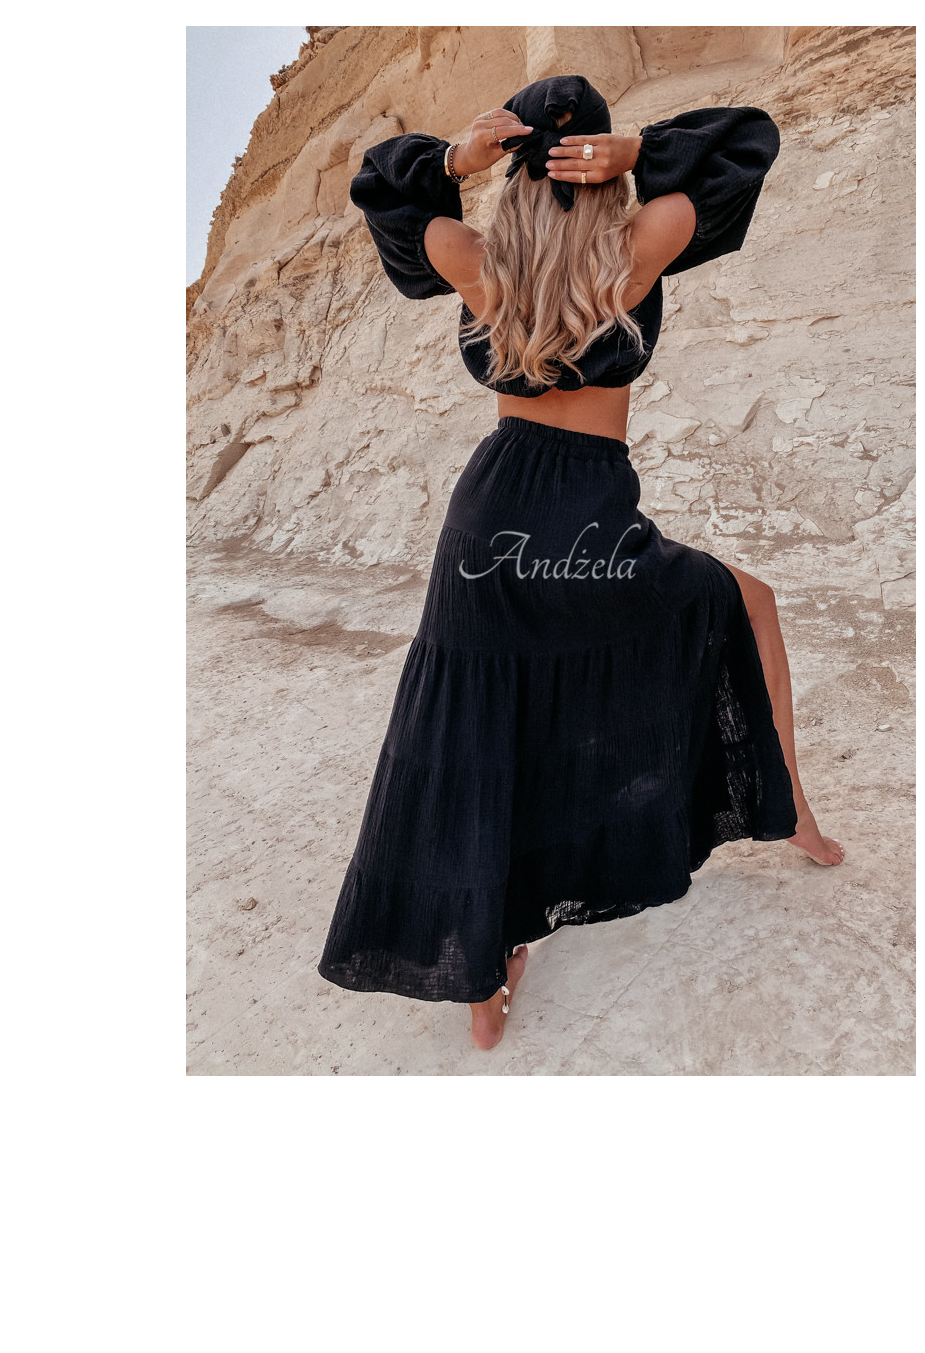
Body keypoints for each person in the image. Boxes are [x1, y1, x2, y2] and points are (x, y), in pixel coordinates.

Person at [317, 74, 843, 1051]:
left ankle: (483, 977)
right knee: (748, 603)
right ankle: (793, 814)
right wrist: (637, 151)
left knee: (482, 722)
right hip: (588, 521)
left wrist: (452, 159)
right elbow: (745, 141)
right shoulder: (635, 251)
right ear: (595, 164)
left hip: (487, 523)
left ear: (513, 167)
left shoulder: (473, 258)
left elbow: (383, 184)